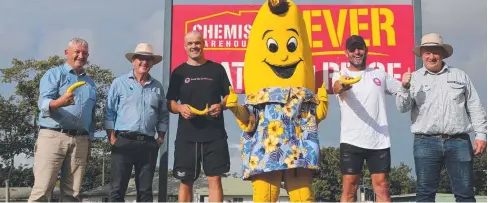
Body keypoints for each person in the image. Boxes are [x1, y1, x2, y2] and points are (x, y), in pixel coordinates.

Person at [224, 0, 328, 202]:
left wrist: (322, 103)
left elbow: (315, 118)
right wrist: (236, 109)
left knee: (303, 196)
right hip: (266, 149)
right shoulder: (258, 97)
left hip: (299, 150)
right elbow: (250, 122)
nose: (282, 56)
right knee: (264, 196)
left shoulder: (304, 96)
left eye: (291, 45)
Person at [396, 33, 487, 202]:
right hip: (425, 142)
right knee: (425, 194)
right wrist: (404, 87)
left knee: (465, 193)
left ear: (443, 54)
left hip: (458, 141)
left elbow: (474, 106)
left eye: (435, 52)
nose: (431, 56)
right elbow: (402, 107)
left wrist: (481, 135)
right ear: (422, 55)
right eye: (427, 52)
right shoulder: (414, 78)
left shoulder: (460, 76)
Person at [332, 35, 406, 202]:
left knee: (382, 187)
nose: (357, 52)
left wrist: (407, 84)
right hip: (351, 140)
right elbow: (336, 87)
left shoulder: (379, 74)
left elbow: (400, 88)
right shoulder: (341, 74)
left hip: (379, 140)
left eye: (360, 48)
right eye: (353, 49)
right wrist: (343, 85)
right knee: (350, 187)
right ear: (346, 53)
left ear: (366, 50)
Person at [166, 30, 231, 202]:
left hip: (214, 134)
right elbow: (170, 103)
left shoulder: (217, 69)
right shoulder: (179, 72)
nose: (194, 46)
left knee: (215, 180)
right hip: (187, 136)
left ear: (204, 43)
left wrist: (221, 105)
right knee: (186, 181)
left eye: (197, 42)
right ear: (185, 46)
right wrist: (180, 108)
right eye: (190, 43)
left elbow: (229, 96)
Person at [28, 38, 95, 202]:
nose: (81, 56)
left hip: (81, 140)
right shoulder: (53, 74)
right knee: (42, 189)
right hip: (53, 136)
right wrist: (60, 102)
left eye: (84, 53)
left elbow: (91, 114)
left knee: (73, 194)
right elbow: (42, 104)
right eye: (77, 52)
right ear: (67, 53)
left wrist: (89, 142)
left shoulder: (90, 83)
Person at [104, 43, 169, 202]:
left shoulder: (157, 87)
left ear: (153, 63)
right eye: (141, 58)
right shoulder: (119, 83)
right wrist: (112, 138)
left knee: (145, 191)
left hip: (148, 143)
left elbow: (163, 115)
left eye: (148, 59)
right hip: (123, 141)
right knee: (117, 189)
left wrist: (160, 138)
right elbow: (109, 111)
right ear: (133, 60)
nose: (144, 62)